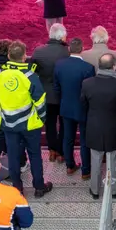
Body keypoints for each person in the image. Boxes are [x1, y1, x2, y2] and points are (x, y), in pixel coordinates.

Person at [0, 41, 53, 197]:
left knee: (13, 156)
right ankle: (39, 187)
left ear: (8, 56)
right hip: (30, 124)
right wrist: (42, 119)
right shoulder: (30, 76)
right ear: (24, 56)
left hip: (8, 124)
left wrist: (3, 114)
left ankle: (17, 188)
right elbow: (40, 102)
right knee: (35, 155)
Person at [80, 54, 116, 199]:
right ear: (114, 66)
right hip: (113, 127)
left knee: (95, 159)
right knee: (113, 160)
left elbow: (83, 105)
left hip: (94, 125)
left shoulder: (87, 83)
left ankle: (95, 190)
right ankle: (113, 190)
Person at [55, 38, 96, 179]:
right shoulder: (88, 67)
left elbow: (56, 87)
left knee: (68, 138)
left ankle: (70, 166)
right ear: (82, 49)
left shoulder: (60, 65)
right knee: (84, 140)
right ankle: (86, 171)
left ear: (69, 49)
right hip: (83, 108)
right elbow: (90, 90)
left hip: (66, 106)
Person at [30, 24, 69, 163]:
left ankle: (52, 150)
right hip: (63, 95)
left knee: (50, 124)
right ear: (62, 36)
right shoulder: (67, 52)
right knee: (64, 124)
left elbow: (32, 71)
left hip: (46, 94)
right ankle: (61, 152)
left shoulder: (38, 51)